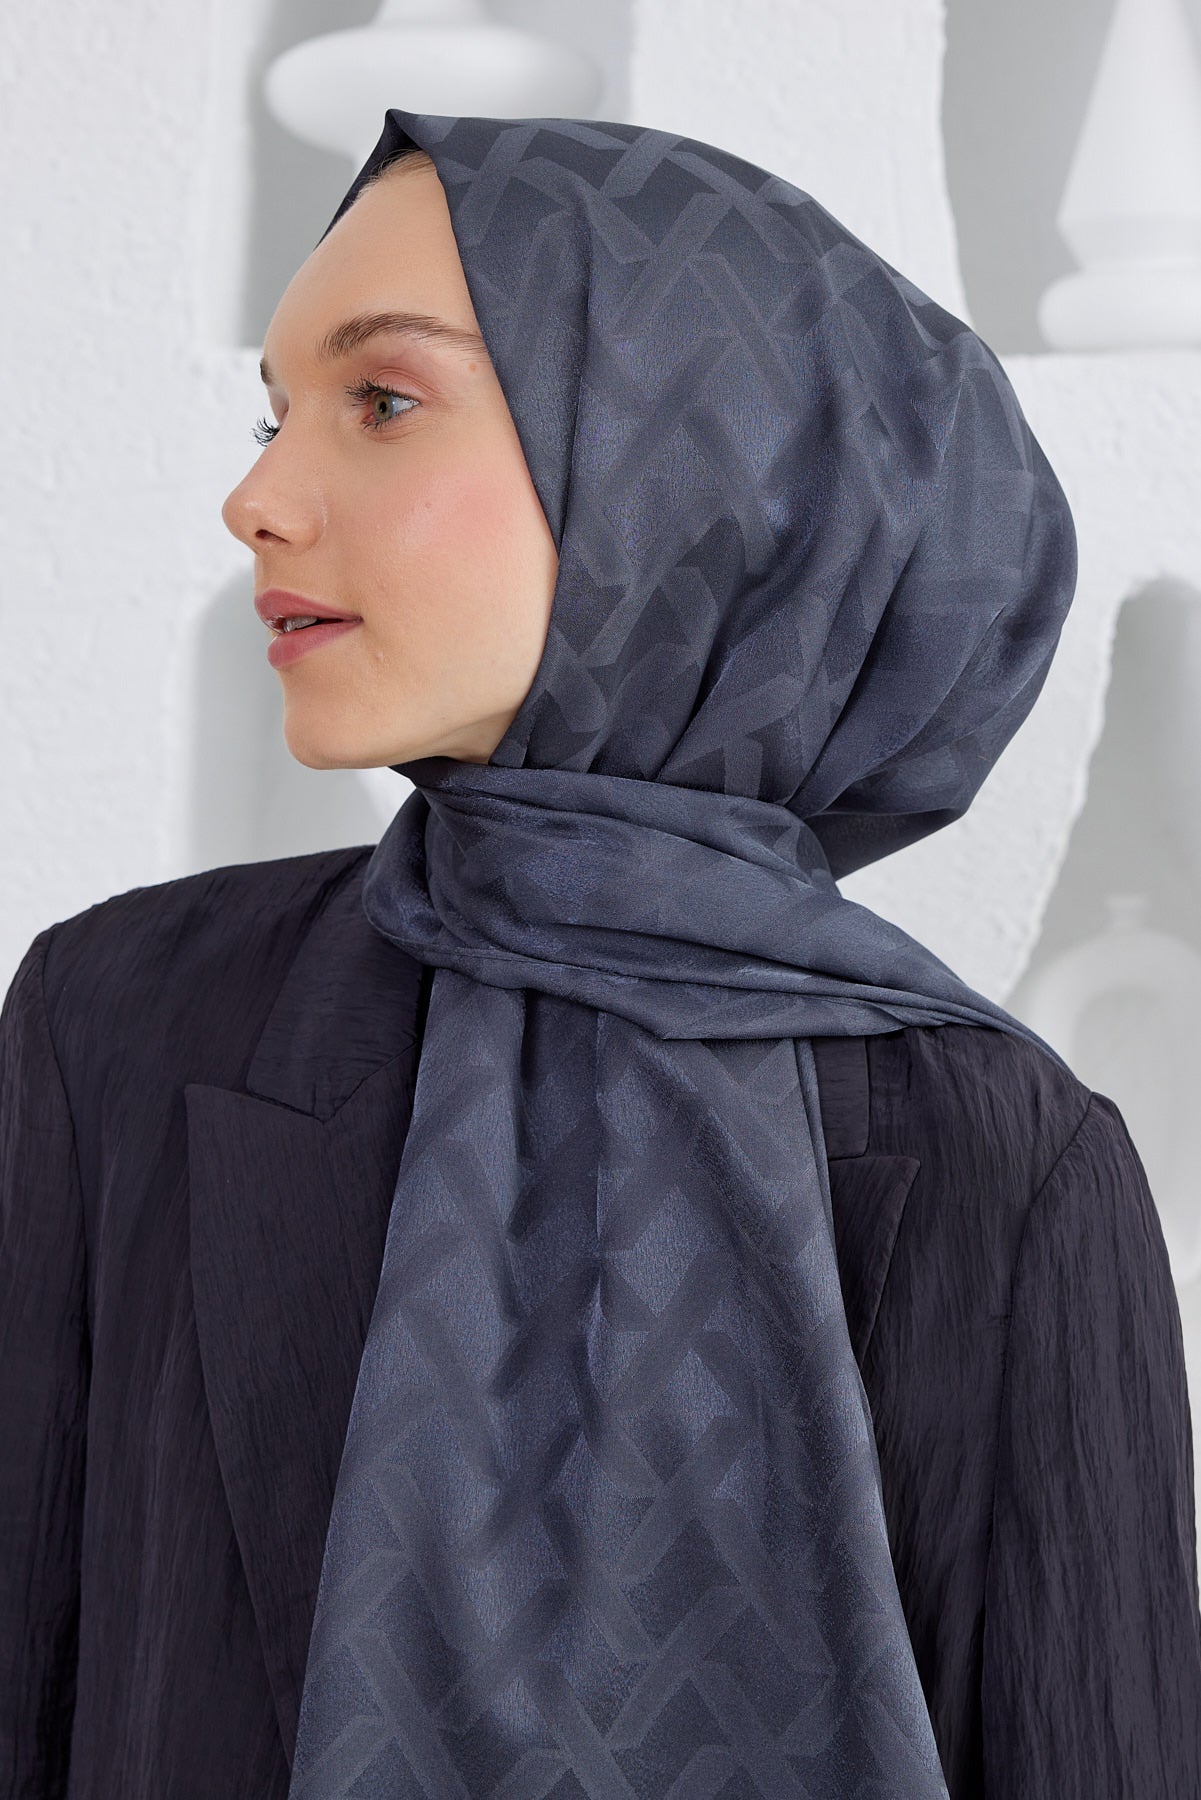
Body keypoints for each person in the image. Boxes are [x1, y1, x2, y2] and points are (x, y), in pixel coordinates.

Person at [2, 108, 1199, 1800]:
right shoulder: (118, 1021)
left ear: (685, 463)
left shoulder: (996, 1151)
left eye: (382, 401)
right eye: (274, 416)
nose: (254, 498)